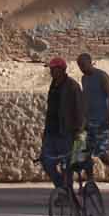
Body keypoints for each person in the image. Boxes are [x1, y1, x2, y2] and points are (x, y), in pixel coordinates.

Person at [75, 51, 109, 190]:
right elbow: (86, 99)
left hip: (101, 120)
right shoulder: (84, 79)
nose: (81, 68)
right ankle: (90, 181)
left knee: (101, 152)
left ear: (90, 62)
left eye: (83, 64)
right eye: (79, 65)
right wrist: (83, 120)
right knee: (82, 151)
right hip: (88, 121)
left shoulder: (102, 76)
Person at [39, 57, 85, 189]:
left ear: (62, 70)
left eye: (54, 69)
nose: (52, 72)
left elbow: (80, 109)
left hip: (66, 132)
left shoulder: (72, 86)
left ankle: (67, 190)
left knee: (67, 164)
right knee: (46, 161)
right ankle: (61, 187)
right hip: (51, 132)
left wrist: (79, 131)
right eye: (51, 69)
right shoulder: (53, 85)